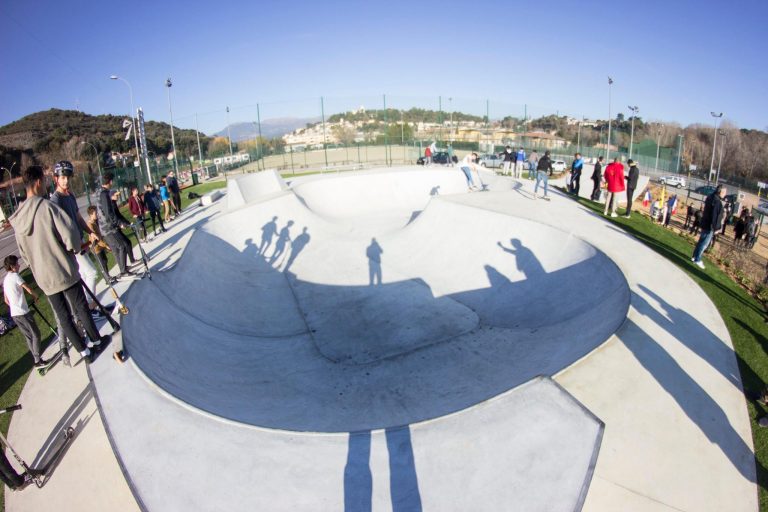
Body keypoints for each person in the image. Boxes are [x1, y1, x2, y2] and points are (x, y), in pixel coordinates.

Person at [9, 165, 109, 363]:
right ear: (38, 182)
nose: (46, 185)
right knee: (80, 306)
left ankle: (84, 353)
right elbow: (70, 234)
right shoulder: (47, 207)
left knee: (64, 316)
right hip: (62, 269)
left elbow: (23, 255)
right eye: (44, 181)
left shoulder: (18, 218)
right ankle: (96, 341)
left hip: (44, 278)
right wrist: (74, 250)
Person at [49, 161, 106, 319]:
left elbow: (79, 217)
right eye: (62, 178)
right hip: (72, 246)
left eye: (68, 177)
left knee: (85, 275)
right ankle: (89, 307)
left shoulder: (70, 195)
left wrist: (90, 232)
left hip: (80, 242)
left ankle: (88, 309)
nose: (66, 181)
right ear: (56, 179)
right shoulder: (56, 200)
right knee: (92, 273)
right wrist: (72, 245)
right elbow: (59, 227)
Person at [3, 255, 45, 368]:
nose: (19, 265)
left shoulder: (5, 280)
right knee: (36, 334)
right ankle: (37, 361)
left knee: (29, 337)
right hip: (23, 312)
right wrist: (36, 296)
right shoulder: (15, 276)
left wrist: (15, 304)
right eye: (17, 264)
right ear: (12, 266)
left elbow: (6, 300)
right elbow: (28, 289)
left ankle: (37, 359)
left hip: (15, 314)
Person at [97, 173, 137, 279]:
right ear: (110, 182)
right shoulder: (104, 194)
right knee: (122, 245)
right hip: (108, 228)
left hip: (106, 228)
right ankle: (123, 271)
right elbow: (108, 212)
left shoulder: (101, 192)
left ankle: (123, 269)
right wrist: (118, 223)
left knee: (118, 248)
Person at [692, 185, 727, 269]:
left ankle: (694, 257)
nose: (725, 194)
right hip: (710, 226)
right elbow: (715, 217)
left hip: (706, 223)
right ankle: (697, 259)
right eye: (724, 192)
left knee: (701, 241)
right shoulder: (716, 201)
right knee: (704, 244)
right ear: (720, 192)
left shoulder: (711, 197)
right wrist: (716, 228)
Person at [86, 205, 112, 281]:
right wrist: (106, 246)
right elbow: (96, 239)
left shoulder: (95, 222)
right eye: (95, 213)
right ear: (90, 215)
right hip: (96, 247)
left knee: (105, 260)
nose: (97, 215)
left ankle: (108, 276)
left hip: (100, 245)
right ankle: (107, 279)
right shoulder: (90, 225)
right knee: (102, 263)